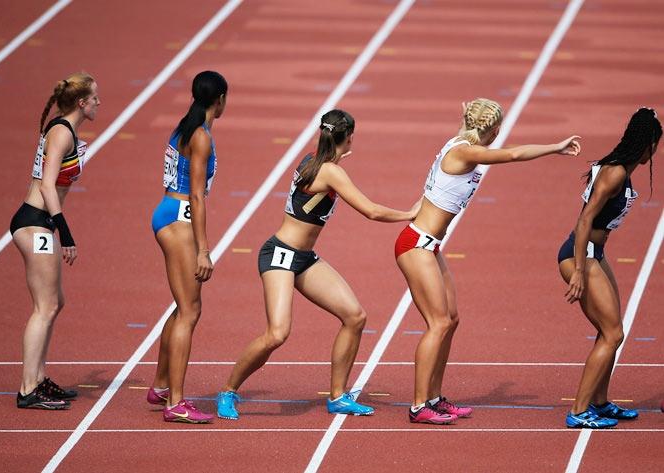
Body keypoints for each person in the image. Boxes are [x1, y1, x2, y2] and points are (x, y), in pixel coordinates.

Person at [216, 109, 420, 419]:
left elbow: (320, 172)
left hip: (304, 258)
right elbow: (372, 211)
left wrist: (336, 158)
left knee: (354, 316)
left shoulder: (312, 160)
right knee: (277, 333)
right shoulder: (331, 172)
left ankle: (338, 396)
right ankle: (228, 391)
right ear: (349, 137)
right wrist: (409, 213)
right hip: (280, 254)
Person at [395, 98, 581, 424]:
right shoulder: (465, 151)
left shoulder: (461, 141)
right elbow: (510, 154)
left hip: (430, 245)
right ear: (493, 130)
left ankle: (435, 398)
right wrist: (555, 147)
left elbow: (474, 131)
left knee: (450, 320)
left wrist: (468, 113)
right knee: (438, 323)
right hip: (415, 245)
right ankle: (418, 405)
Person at [559, 107, 661, 429]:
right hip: (582, 253)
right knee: (613, 332)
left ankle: (599, 402)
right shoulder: (615, 173)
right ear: (647, 144)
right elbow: (585, 219)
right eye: (656, 145)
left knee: (611, 331)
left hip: (595, 253)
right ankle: (578, 410)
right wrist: (577, 270)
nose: (656, 152)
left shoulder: (621, 168)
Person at [11, 73, 99, 409]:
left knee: (53, 302)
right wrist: (66, 233)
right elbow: (48, 186)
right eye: (95, 99)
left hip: (41, 223)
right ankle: (27, 388)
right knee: (44, 306)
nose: (99, 104)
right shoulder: (61, 132)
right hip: (35, 223)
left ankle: (38, 377)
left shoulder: (66, 130)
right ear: (81, 102)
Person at [147, 71, 227, 423]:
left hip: (168, 211)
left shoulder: (184, 125)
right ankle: (175, 403)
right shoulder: (201, 135)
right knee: (191, 312)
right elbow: (197, 194)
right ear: (220, 99)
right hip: (180, 217)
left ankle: (162, 385)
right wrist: (203, 249)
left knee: (182, 307)